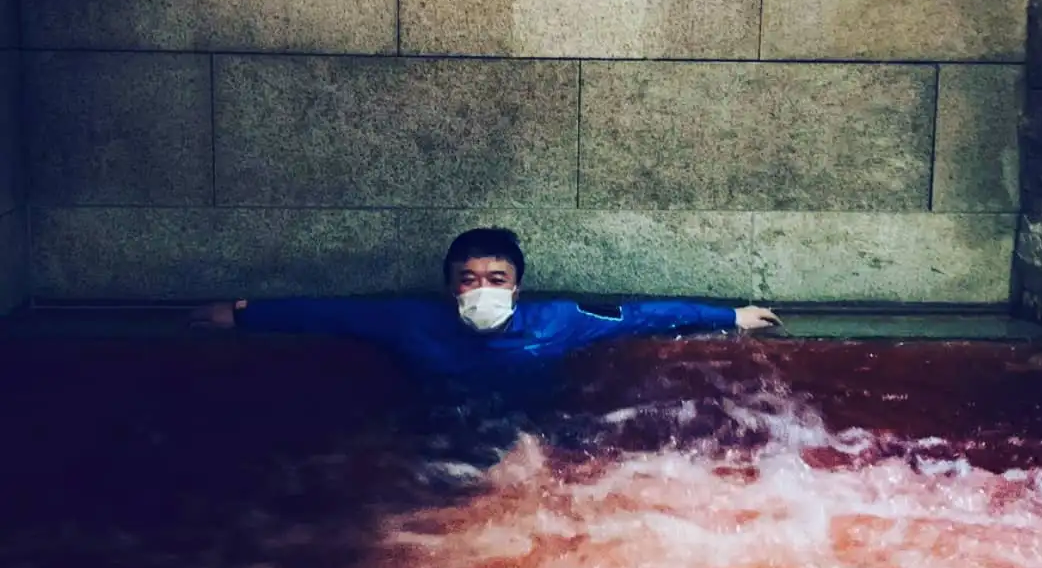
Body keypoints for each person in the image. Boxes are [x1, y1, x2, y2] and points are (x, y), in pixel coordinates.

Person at [190, 226, 780, 389]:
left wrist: (730, 317)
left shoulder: (559, 321)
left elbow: (642, 315)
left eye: (496, 279)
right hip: (437, 434)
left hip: (528, 436)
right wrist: (242, 314)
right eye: (468, 280)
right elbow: (328, 314)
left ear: (516, 287)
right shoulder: (410, 321)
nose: (482, 289)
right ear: (451, 288)